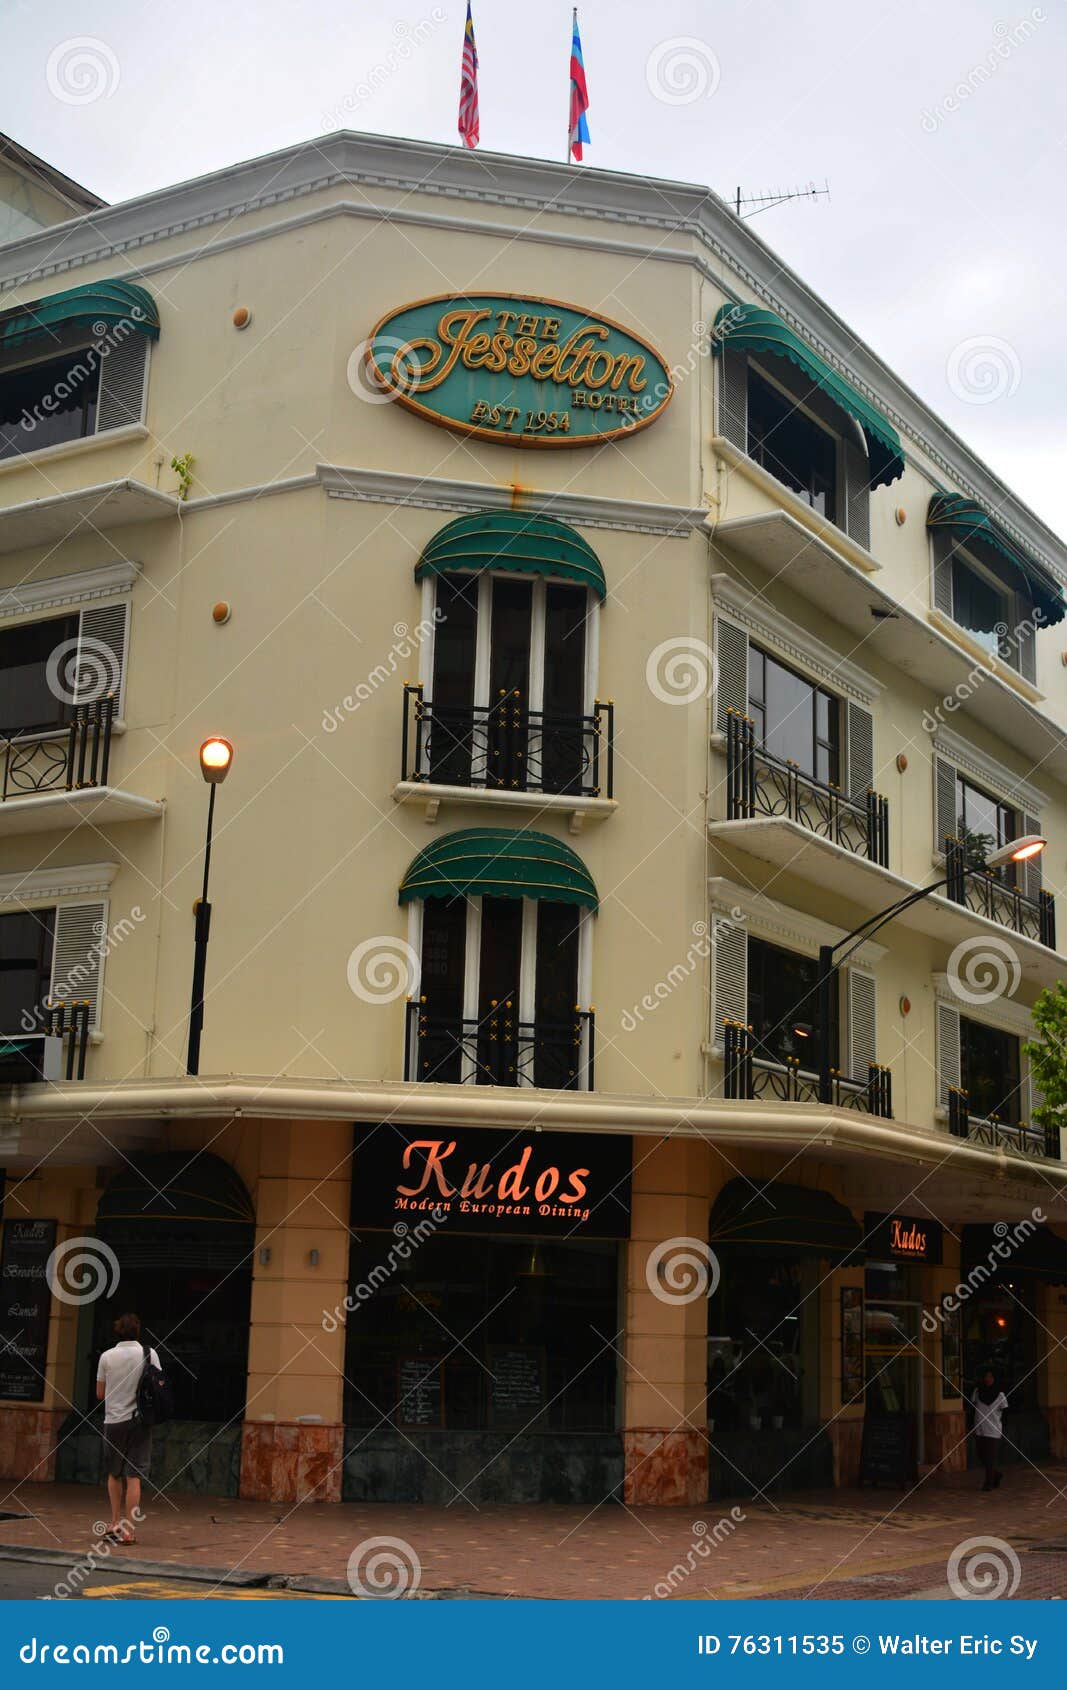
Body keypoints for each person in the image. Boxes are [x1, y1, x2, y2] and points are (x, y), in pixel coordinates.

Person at [95, 1313, 160, 1543]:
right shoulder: (149, 1354)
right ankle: (129, 1531)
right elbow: (157, 1386)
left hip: (113, 1421)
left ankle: (113, 1522)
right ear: (137, 1331)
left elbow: (100, 1394)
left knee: (114, 1474)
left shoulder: (106, 1357)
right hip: (141, 1421)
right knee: (134, 1476)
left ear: (118, 1331)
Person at [972, 1368, 1009, 1492]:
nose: (988, 1379)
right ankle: (996, 1474)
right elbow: (973, 1408)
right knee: (981, 1455)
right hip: (980, 1429)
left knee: (990, 1458)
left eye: (991, 1377)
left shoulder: (1000, 1395)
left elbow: (1006, 1412)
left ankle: (988, 1483)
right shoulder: (977, 1392)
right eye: (986, 1376)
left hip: (993, 1431)